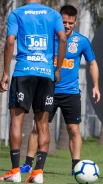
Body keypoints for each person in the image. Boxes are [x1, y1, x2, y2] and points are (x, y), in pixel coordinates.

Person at [20, 4, 101, 175]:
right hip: (47, 91)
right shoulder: (49, 39)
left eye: (71, 23)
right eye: (64, 21)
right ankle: (27, 163)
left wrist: (95, 86)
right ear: (59, 20)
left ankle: (75, 167)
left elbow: (92, 63)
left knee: (73, 130)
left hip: (71, 93)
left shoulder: (82, 41)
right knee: (37, 128)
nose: (67, 25)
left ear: (75, 22)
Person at [0, 0, 67, 183]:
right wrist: (57, 69)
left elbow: (10, 40)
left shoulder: (17, 13)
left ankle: (15, 171)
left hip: (23, 72)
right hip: (46, 73)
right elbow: (63, 38)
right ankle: (38, 173)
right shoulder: (53, 14)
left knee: (16, 121)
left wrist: (5, 73)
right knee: (43, 124)